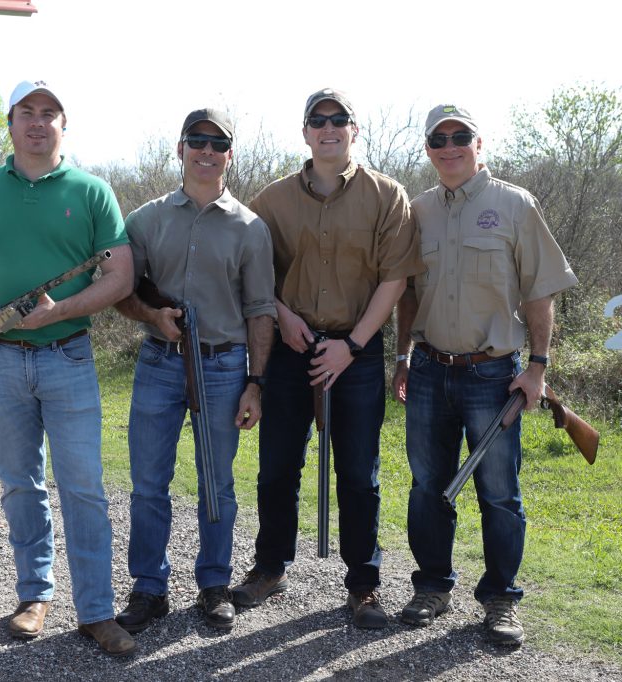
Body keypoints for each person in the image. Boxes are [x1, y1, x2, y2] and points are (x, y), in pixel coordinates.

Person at [0, 79, 136, 657]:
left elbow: (119, 276)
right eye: (28, 111)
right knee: (21, 486)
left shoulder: (92, 191)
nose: (38, 122)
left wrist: (59, 310)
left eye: (50, 113)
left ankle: (97, 612)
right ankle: (34, 596)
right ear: (10, 121)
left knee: (83, 489)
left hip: (68, 357)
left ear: (63, 125)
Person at [391, 104, 579, 646]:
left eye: (460, 136)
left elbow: (539, 294)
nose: (449, 146)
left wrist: (538, 369)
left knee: (498, 493)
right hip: (428, 369)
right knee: (428, 487)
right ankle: (431, 588)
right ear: (427, 148)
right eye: (438, 138)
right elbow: (407, 296)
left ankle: (501, 601)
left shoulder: (516, 205)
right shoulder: (417, 210)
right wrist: (402, 357)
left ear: (479, 143)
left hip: (493, 375)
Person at [231, 88, 416, 629]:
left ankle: (364, 584)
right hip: (290, 349)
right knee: (277, 468)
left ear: (355, 131)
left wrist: (353, 345)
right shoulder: (271, 201)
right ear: (305, 131)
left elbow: (395, 279)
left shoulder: (388, 196)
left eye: (340, 120)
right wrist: (284, 317)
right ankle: (269, 567)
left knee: (359, 473)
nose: (329, 128)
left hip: (355, 352)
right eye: (319, 120)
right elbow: (257, 276)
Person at [112, 108, 276, 633]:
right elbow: (121, 292)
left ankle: (213, 583)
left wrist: (256, 382)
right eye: (197, 141)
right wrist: (151, 316)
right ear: (180, 148)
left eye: (218, 143)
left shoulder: (251, 228)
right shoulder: (144, 219)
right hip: (160, 365)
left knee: (217, 484)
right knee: (148, 484)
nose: (207, 151)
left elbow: (260, 311)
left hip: (224, 367)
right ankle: (149, 589)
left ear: (230, 155)